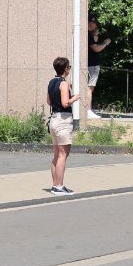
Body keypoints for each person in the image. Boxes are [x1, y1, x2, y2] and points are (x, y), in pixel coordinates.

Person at [45, 56, 80, 195]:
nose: (69, 69)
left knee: (56, 155)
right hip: (63, 120)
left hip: (54, 119)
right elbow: (65, 103)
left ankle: (55, 185)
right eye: (69, 67)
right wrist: (74, 98)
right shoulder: (64, 84)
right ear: (65, 69)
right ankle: (59, 186)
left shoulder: (51, 82)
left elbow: (49, 102)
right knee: (63, 155)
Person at [87, 17, 111, 117]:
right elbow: (96, 48)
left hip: (90, 64)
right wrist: (105, 43)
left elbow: (95, 41)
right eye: (95, 23)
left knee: (89, 88)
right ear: (90, 23)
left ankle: (88, 110)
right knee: (89, 88)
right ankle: (88, 110)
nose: (96, 26)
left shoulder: (89, 34)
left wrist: (95, 34)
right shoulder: (88, 34)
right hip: (92, 65)